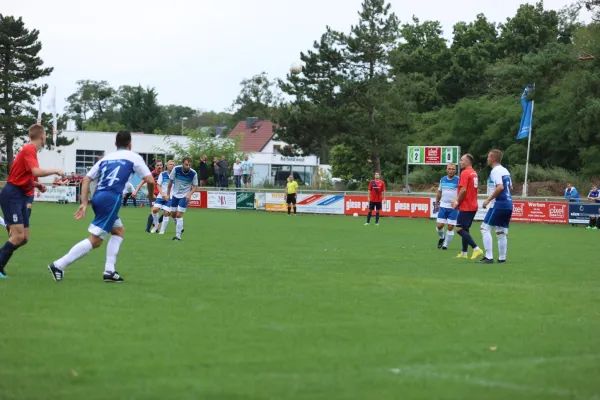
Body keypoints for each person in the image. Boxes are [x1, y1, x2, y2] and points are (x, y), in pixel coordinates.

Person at [47, 131, 154, 283]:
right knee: (96, 240)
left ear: (116, 144)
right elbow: (150, 180)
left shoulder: (106, 158)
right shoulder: (134, 157)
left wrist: (84, 203)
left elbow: (86, 179)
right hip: (111, 199)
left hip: (98, 197)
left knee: (118, 231)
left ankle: (109, 271)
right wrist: (150, 197)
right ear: (130, 143)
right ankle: (59, 264)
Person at [0, 124, 62, 278]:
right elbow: (35, 172)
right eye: (46, 135)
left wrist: (37, 184)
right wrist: (55, 170)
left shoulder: (29, 151)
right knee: (18, 236)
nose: (46, 138)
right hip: (12, 195)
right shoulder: (29, 149)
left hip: (19, 194)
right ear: (42, 136)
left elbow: (22, 176)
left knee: (24, 237)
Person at [479, 149, 513, 264]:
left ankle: (489, 257)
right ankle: (502, 259)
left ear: (493, 158)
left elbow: (500, 187)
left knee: (484, 228)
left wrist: (488, 200)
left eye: (488, 157)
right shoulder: (505, 170)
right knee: (500, 231)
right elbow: (510, 187)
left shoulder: (495, 171)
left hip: (499, 204)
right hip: (508, 204)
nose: (487, 159)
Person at [451, 154, 483, 260]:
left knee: (459, 229)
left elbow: (463, 190)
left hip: (467, 205)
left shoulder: (465, 173)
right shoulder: (474, 173)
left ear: (468, 161)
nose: (460, 162)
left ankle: (476, 248)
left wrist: (456, 201)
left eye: (462, 160)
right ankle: (464, 253)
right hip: (473, 204)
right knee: (465, 228)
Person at [167, 157, 198, 241]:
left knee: (178, 215)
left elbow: (195, 186)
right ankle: (180, 227)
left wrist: (189, 194)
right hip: (175, 194)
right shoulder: (176, 169)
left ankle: (178, 236)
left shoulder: (193, 173)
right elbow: (170, 182)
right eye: (186, 164)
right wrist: (167, 194)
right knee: (173, 214)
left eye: (189, 165)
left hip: (184, 196)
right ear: (182, 164)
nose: (188, 166)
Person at [434, 164, 459, 250]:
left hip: (453, 207)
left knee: (450, 226)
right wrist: (436, 203)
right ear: (446, 170)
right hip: (443, 205)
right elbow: (439, 192)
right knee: (440, 226)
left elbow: (462, 192)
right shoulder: (443, 179)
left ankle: (445, 245)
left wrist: (457, 202)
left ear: (455, 171)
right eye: (449, 169)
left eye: (453, 169)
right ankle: (442, 238)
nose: (451, 170)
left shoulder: (458, 180)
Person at [135, 160, 162, 232]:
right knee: (153, 211)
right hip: (152, 195)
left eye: (160, 165)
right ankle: (147, 229)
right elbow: (142, 182)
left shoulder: (163, 174)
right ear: (155, 166)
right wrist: (136, 190)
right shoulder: (152, 174)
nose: (159, 166)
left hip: (161, 195)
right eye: (158, 165)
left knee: (168, 212)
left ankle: (155, 225)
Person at [155, 160, 175, 234]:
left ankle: (162, 231)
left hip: (170, 197)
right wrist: (162, 194)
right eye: (170, 164)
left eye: (173, 164)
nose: (172, 165)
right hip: (161, 196)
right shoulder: (163, 174)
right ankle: (156, 225)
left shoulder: (176, 176)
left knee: (166, 212)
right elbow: (158, 184)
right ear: (167, 165)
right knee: (154, 210)